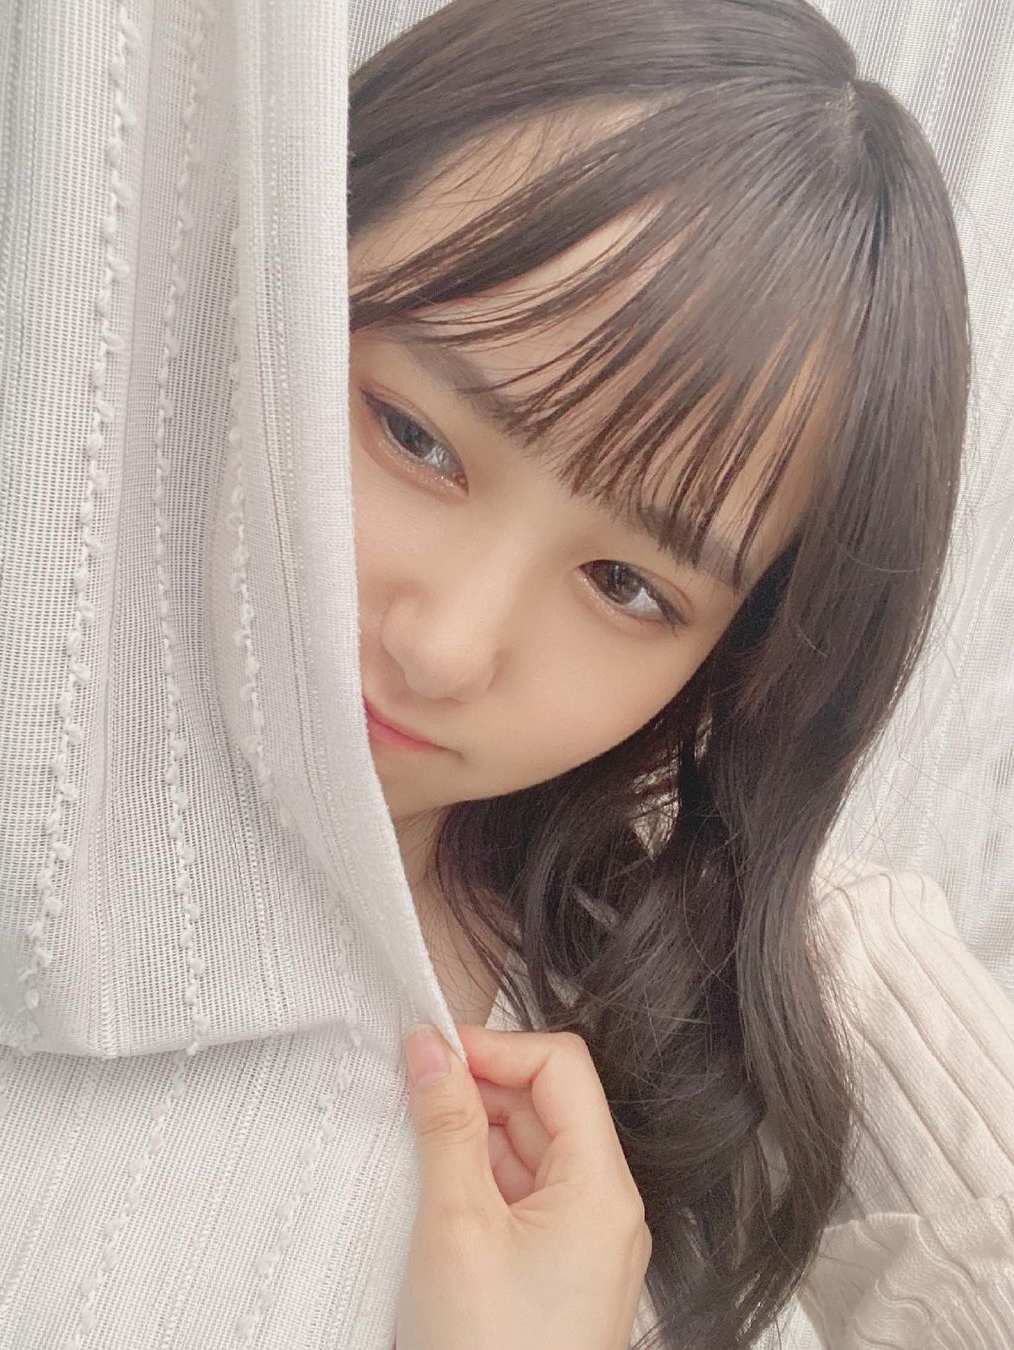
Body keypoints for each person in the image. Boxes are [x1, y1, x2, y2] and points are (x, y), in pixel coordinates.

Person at [344, 0, 1014, 1346]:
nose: (442, 645)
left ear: (732, 664)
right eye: (415, 436)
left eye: (629, 586)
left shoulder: (782, 986)